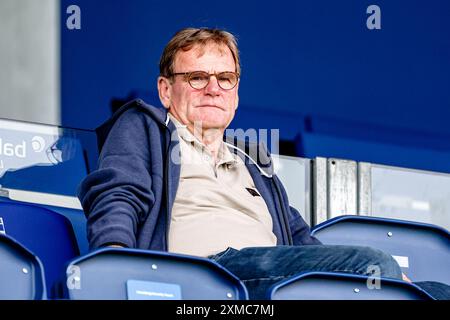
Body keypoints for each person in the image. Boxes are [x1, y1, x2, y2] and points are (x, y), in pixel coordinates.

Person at [78, 27, 449, 300]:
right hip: (209, 272)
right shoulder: (144, 128)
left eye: (225, 78)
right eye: (196, 77)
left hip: (276, 276)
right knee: (370, 265)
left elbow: (301, 240)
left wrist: (398, 285)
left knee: (436, 290)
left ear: (236, 94)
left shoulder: (253, 160)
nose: (213, 88)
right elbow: (117, 194)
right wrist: (114, 258)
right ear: (165, 90)